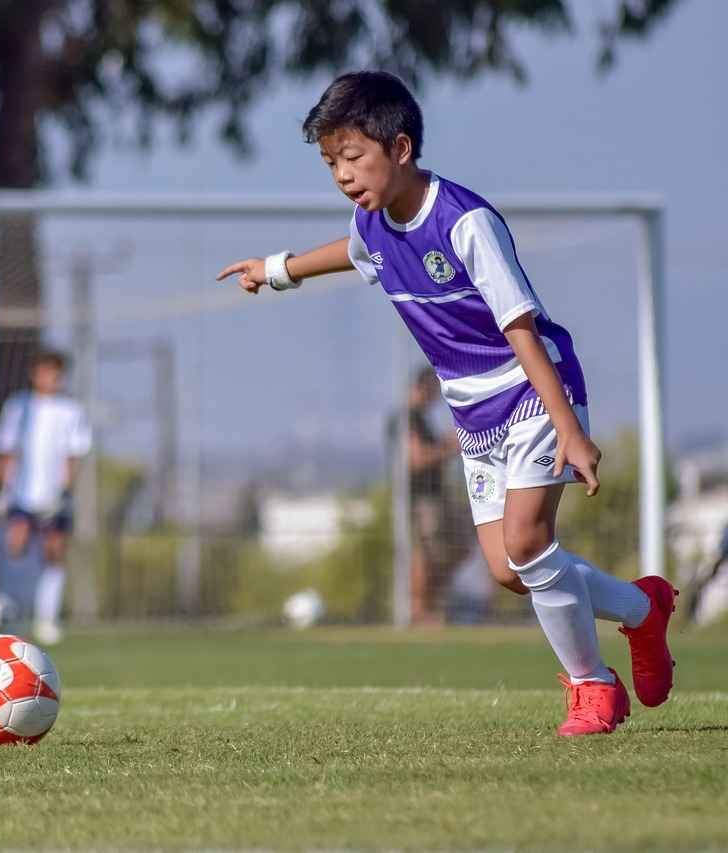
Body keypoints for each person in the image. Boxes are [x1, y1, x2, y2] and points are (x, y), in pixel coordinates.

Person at [216, 71, 677, 736]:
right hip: (474, 416)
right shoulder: (372, 223)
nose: (343, 175)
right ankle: (642, 608)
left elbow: (521, 328)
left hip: (531, 391)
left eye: (352, 157)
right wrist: (278, 269)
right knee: (510, 570)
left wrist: (570, 429)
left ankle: (593, 686)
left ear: (400, 148)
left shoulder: (465, 223)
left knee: (527, 542)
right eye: (330, 163)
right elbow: (354, 251)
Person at [0, 349, 92, 645]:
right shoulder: (17, 406)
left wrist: (64, 491)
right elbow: (6, 450)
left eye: (56, 373)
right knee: (16, 546)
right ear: (34, 374)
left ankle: (47, 619)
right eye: (45, 371)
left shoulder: (70, 410)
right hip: (21, 494)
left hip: (53, 496)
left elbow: (74, 455)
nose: (51, 378)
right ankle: (11, 613)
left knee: (54, 552)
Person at [403, 365, 461, 625]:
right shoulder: (409, 418)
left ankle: (433, 604)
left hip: (436, 497)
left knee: (453, 548)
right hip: (421, 500)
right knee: (425, 554)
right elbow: (415, 459)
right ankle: (420, 611)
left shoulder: (421, 418)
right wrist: (449, 448)